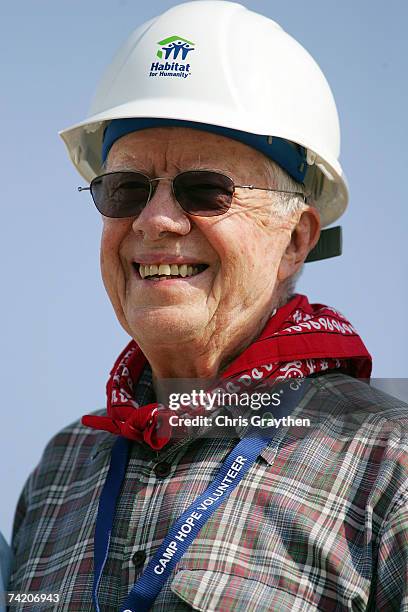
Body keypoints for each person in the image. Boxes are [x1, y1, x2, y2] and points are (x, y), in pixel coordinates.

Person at [9, 2, 408, 610]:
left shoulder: (386, 462)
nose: (156, 221)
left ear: (296, 239)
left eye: (205, 191)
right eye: (126, 190)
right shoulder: (64, 467)